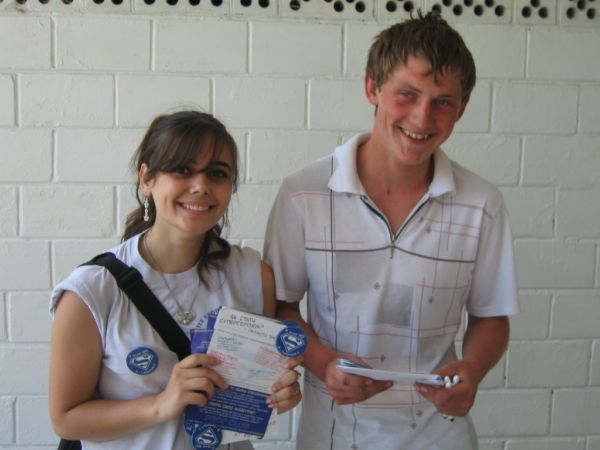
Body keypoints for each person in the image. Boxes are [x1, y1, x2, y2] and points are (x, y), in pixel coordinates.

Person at [263, 10, 518, 450]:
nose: (422, 118)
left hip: (440, 436)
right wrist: (323, 364)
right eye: (407, 94)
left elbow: (491, 316)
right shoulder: (302, 194)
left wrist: (473, 369)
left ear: (462, 108)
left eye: (443, 102)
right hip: (333, 435)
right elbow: (280, 307)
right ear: (372, 88)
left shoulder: (482, 204)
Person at [49, 111, 302, 450]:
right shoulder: (92, 289)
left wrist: (278, 394)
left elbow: (252, 393)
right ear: (147, 179)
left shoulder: (253, 275)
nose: (201, 186)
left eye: (217, 173)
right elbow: (65, 418)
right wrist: (161, 404)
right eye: (183, 169)